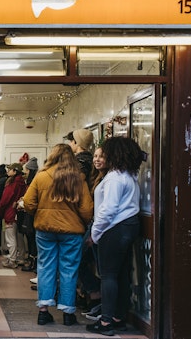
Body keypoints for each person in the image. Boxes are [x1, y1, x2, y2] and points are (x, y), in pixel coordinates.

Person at [23, 143, 94, 327]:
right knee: (69, 270)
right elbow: (87, 210)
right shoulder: (78, 179)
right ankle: (68, 313)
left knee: (46, 267)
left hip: (45, 230)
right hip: (72, 232)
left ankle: (43, 311)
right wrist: (81, 222)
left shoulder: (41, 176)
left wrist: (41, 213)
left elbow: (29, 203)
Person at [86, 137, 143, 336]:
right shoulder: (129, 175)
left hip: (114, 228)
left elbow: (108, 210)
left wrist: (95, 233)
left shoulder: (114, 178)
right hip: (130, 226)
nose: (104, 157)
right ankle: (118, 317)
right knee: (122, 274)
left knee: (108, 276)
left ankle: (106, 322)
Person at [80, 147, 108, 321]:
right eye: (95, 156)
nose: (97, 160)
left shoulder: (109, 179)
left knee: (100, 267)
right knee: (83, 262)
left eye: (101, 157)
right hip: (93, 225)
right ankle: (95, 294)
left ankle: (98, 296)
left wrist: (94, 232)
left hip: (98, 227)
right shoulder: (96, 177)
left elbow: (107, 209)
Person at [0, 163, 28, 268]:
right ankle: (20, 258)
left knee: (10, 238)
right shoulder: (23, 183)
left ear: (15, 171)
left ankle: (12, 260)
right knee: (19, 237)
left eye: (10, 169)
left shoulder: (12, 184)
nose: (8, 171)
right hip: (19, 213)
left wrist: (0, 209)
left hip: (10, 213)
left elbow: (5, 200)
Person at [19, 157, 39, 272]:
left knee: (33, 241)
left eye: (26, 171)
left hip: (32, 215)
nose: (24, 173)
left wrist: (24, 203)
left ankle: (34, 263)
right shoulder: (29, 182)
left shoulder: (34, 182)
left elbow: (31, 200)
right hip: (31, 214)